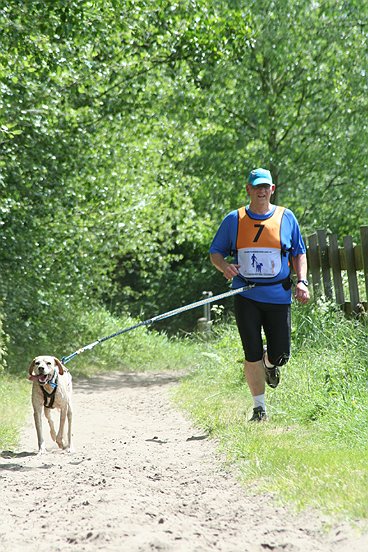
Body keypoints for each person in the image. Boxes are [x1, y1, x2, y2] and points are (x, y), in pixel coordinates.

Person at [209, 167, 310, 422]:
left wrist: (302, 281)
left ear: (272, 190)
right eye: (257, 187)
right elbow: (216, 253)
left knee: (281, 355)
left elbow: (299, 253)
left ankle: (270, 364)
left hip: (278, 295)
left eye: (266, 187)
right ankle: (259, 409)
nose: (262, 191)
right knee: (251, 351)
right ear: (249, 190)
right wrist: (225, 267)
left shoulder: (287, 218)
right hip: (247, 295)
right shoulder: (235, 219)